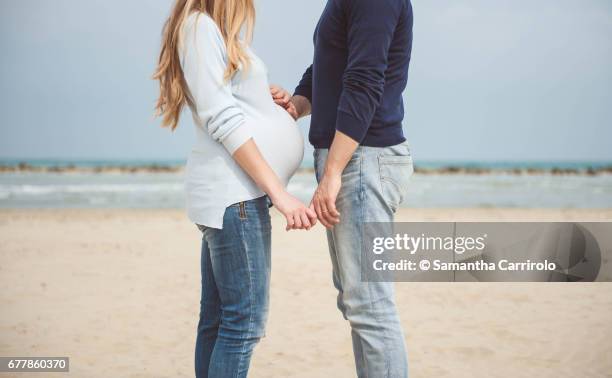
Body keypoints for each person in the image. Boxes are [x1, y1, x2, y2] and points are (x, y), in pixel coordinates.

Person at [153, 1, 316, 377]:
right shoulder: (199, 28)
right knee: (243, 325)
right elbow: (221, 119)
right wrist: (280, 193)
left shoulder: (209, 31)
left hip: (232, 197)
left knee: (218, 320)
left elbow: (232, 105)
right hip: (236, 197)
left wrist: (264, 99)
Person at [279, 0, 415, 376]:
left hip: (362, 159)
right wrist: (297, 104)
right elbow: (328, 65)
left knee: (370, 306)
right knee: (357, 303)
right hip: (354, 158)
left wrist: (333, 171)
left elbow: (365, 80)